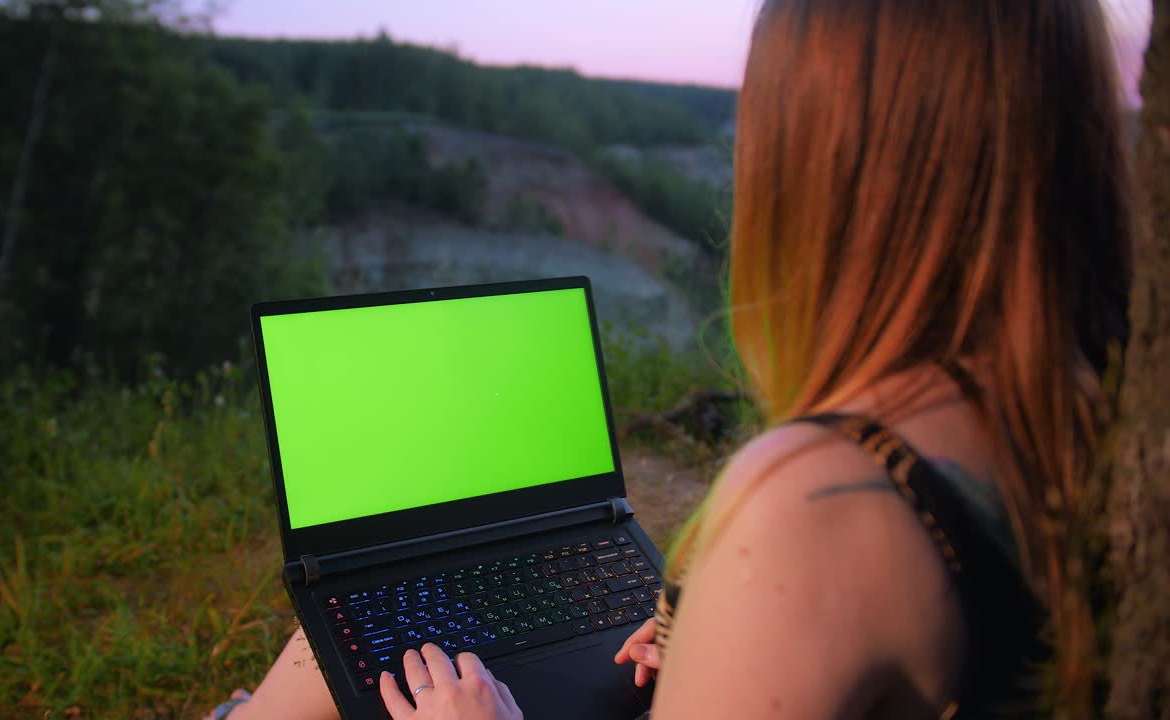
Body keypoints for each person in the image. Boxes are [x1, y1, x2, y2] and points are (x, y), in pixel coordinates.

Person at [206, 0, 1132, 716]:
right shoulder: (1104, 409)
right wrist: (733, 648)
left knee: (369, 652)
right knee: (336, 641)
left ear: (815, 161)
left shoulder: (818, 500)